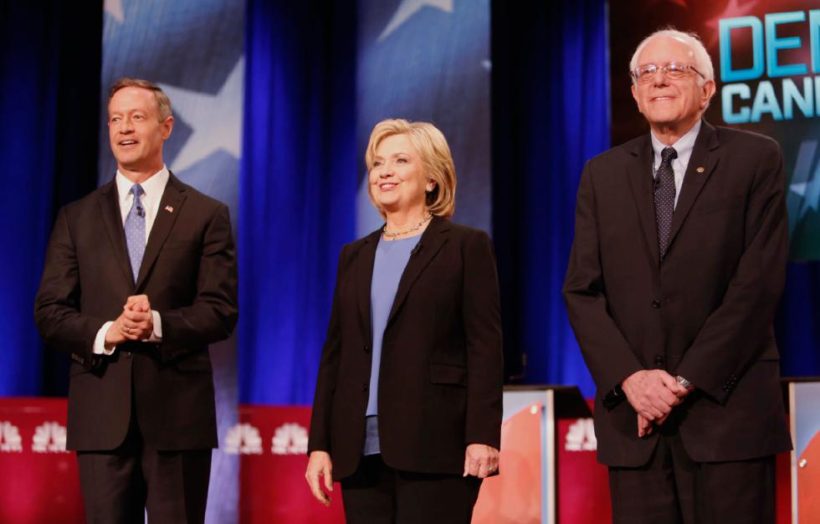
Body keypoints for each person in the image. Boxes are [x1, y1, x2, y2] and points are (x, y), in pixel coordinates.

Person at [563, 29, 792, 523]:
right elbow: (582, 290)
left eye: (676, 69)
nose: (659, 80)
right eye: (647, 72)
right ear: (634, 92)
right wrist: (632, 380)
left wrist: (682, 380)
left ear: (707, 90)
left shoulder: (755, 158)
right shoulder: (601, 175)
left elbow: (757, 285)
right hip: (635, 424)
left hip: (726, 415)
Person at [34, 78, 238, 523]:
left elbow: (219, 312)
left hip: (178, 419)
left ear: (166, 127)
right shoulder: (77, 217)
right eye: (115, 119)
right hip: (102, 416)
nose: (124, 128)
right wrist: (109, 331)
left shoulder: (206, 214)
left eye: (137, 117)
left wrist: (157, 324)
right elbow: (50, 312)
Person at [305, 118, 503, 523]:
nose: (384, 172)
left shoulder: (466, 247)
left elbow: (484, 346)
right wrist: (319, 444)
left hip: (436, 443)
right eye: (378, 163)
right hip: (359, 449)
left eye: (399, 160)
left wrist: (482, 435)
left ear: (432, 178)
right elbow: (335, 354)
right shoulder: (353, 256)